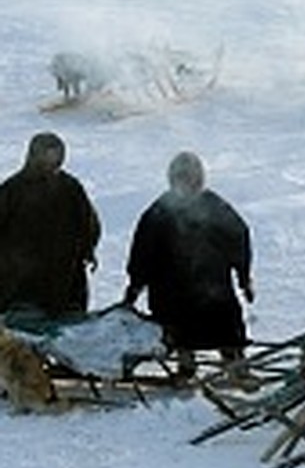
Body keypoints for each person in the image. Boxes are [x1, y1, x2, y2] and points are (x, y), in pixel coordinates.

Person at [122, 151, 253, 378]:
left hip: (213, 285)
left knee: (226, 322)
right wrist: (135, 286)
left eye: (191, 177)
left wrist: (244, 277)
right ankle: (186, 363)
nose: (187, 183)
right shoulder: (159, 212)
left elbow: (238, 238)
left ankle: (235, 362)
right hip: (171, 288)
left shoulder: (214, 206)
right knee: (177, 326)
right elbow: (143, 252)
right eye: (181, 178)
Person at [0, 132, 101, 319]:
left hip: (65, 277)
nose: (51, 159)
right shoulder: (12, 190)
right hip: (19, 282)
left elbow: (88, 222)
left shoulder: (71, 187)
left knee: (67, 331)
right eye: (46, 153)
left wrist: (88, 249)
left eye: (56, 153)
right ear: (33, 155)